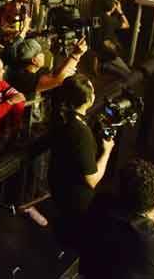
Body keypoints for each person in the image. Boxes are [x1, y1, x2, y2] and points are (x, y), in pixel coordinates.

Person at [48, 74, 114, 245]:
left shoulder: (62, 120)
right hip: (76, 203)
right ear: (88, 99)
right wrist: (107, 152)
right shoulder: (80, 132)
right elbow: (91, 179)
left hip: (60, 195)